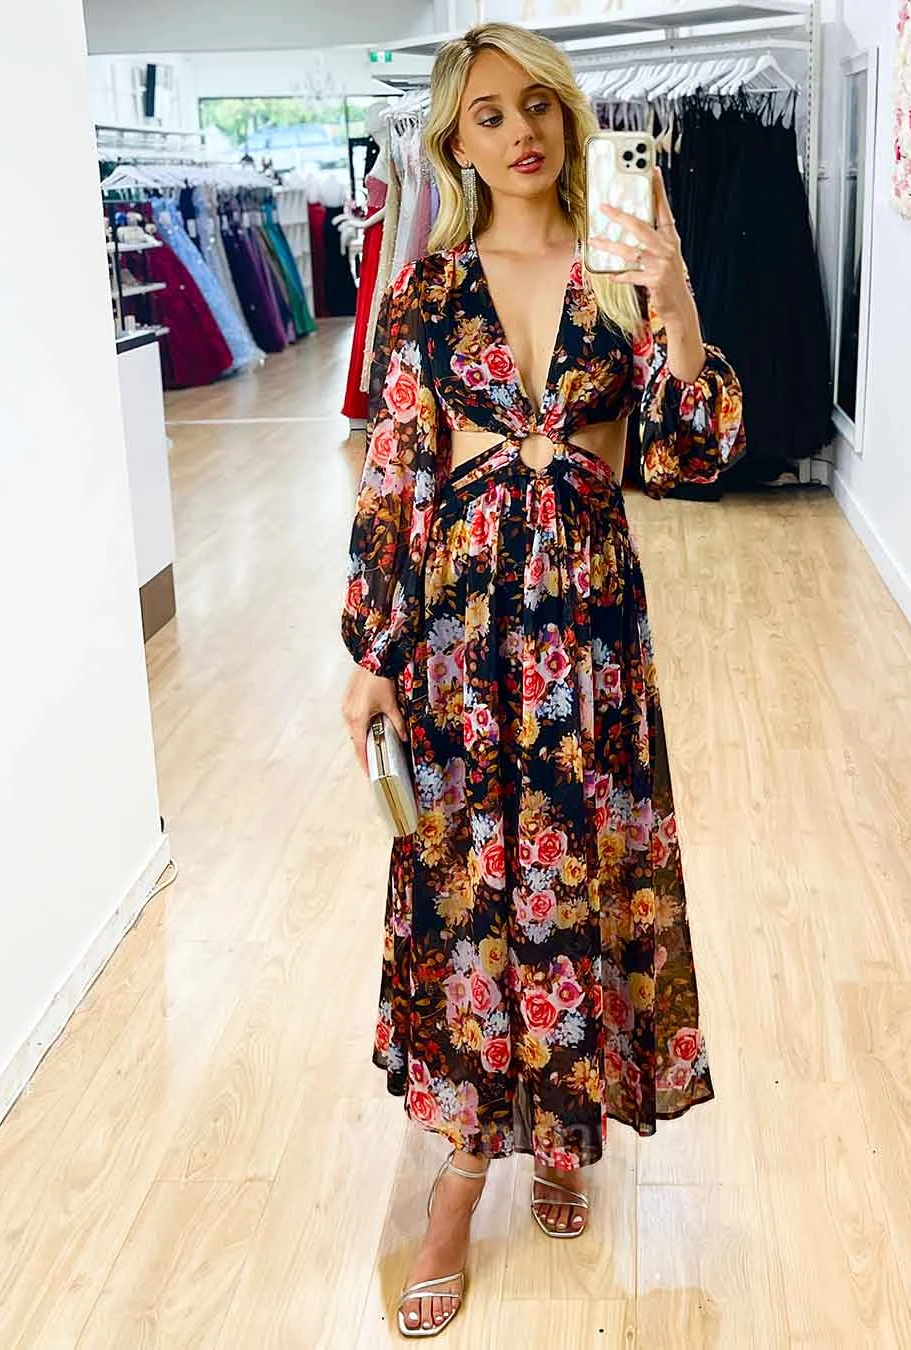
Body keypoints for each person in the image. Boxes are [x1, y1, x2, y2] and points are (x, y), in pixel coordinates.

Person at [339, 21, 746, 1339]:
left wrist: (678, 303)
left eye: (539, 106)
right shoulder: (425, 292)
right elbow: (396, 481)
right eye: (490, 114)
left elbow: (687, 458)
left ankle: (564, 1131)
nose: (521, 131)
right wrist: (373, 655)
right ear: (454, 141)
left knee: (580, 874)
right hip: (461, 638)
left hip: (591, 637)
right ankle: (462, 1177)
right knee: (467, 891)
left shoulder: (621, 274)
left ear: (568, 119)